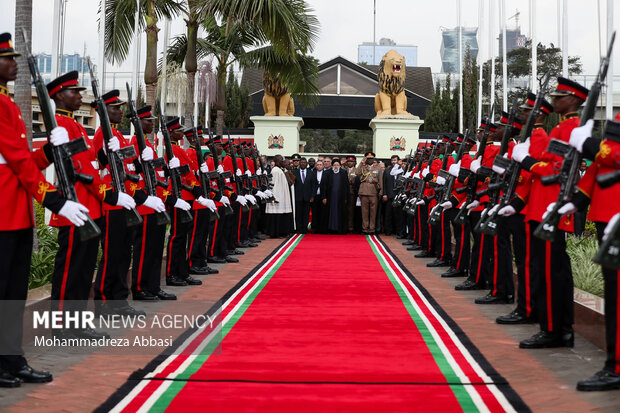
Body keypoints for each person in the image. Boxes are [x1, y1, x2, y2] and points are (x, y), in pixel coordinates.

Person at [0, 33, 90, 387]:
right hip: (4, 213)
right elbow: (19, 163)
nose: (14, 63)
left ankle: (11, 359)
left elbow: (27, 163)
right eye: (7, 58)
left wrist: (49, 151)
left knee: (13, 292)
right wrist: (55, 200)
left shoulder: (9, 106)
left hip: (16, 212)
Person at [43, 71, 131, 340]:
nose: (80, 96)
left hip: (89, 207)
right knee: (70, 270)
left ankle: (77, 323)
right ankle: (62, 325)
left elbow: (94, 164)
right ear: (59, 95)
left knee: (82, 271)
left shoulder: (78, 126)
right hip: (76, 207)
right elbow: (82, 169)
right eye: (75, 92)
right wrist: (110, 195)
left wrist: (107, 154)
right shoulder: (62, 125)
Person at [512, 77, 587, 348]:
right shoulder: (563, 129)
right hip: (543, 208)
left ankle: (554, 330)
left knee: (550, 272)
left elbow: (556, 171)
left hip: (551, 208)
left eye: (560, 97)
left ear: (575, 101)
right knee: (550, 271)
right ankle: (557, 328)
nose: (555, 101)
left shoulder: (568, 129)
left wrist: (528, 161)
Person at [92, 90, 162, 317]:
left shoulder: (118, 135)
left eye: (121, 108)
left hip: (127, 201)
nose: (120, 112)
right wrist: (104, 152)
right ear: (104, 111)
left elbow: (131, 168)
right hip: (112, 203)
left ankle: (119, 300)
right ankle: (103, 302)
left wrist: (144, 162)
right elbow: (101, 165)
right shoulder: (102, 133)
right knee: (112, 254)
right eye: (116, 108)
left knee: (124, 254)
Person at [567, 113, 620, 391]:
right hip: (607, 216)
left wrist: (589, 144)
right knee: (614, 293)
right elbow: (600, 167)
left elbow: (613, 156)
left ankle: (617, 366)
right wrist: (576, 200)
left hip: (616, 216)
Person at [129, 106, 186, 302]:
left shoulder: (148, 144)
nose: (151, 124)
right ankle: (139, 287)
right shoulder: (136, 143)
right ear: (138, 123)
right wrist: (138, 162)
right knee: (143, 249)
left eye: (152, 120)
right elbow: (131, 171)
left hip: (156, 202)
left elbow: (156, 174)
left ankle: (153, 286)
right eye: (148, 121)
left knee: (154, 249)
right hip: (145, 203)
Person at [265, 155, 293, 237]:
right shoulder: (276, 171)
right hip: (278, 197)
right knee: (276, 216)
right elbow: (274, 185)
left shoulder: (279, 170)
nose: (284, 162)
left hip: (281, 195)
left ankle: (281, 232)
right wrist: (274, 197)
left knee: (280, 215)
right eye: (283, 160)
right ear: (278, 161)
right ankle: (275, 233)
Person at [356, 152, 383, 235]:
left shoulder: (378, 168)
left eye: (371, 159)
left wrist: (381, 191)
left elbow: (380, 180)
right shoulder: (363, 167)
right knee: (364, 212)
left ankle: (372, 229)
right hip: (364, 191)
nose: (370, 160)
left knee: (373, 212)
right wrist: (361, 163)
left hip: (374, 191)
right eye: (368, 159)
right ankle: (365, 229)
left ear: (374, 159)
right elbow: (357, 173)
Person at [325, 158, 349, 234]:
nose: (336, 166)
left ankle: (340, 229)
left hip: (340, 198)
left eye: (337, 165)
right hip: (330, 197)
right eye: (334, 165)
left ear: (340, 166)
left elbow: (346, 186)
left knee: (340, 213)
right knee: (330, 213)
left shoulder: (344, 172)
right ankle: (330, 229)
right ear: (332, 166)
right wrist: (324, 197)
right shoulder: (327, 173)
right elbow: (324, 186)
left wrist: (345, 197)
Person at [382, 155, 403, 236]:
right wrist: (384, 194)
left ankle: (398, 231)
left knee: (398, 215)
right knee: (388, 214)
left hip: (399, 196)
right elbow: (384, 183)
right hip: (389, 195)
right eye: (392, 160)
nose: (393, 162)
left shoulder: (402, 170)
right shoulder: (387, 171)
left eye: (395, 160)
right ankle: (388, 231)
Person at [293, 157, 313, 233]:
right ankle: (298, 228)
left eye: (304, 163)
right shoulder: (295, 172)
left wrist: (312, 196)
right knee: (298, 214)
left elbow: (313, 185)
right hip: (298, 197)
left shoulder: (311, 173)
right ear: (299, 163)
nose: (303, 164)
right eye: (301, 162)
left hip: (307, 197)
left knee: (306, 214)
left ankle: (305, 228)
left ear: (306, 164)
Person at [310, 159, 328, 233]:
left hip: (323, 196)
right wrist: (312, 196)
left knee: (323, 213)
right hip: (315, 196)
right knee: (315, 212)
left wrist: (325, 197)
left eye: (321, 165)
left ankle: (323, 229)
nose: (319, 166)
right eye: (318, 165)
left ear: (323, 166)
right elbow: (310, 185)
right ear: (315, 166)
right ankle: (314, 228)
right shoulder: (312, 173)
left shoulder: (326, 173)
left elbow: (328, 186)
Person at [573, 160, 589, 236]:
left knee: (583, 217)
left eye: (585, 166)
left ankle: (582, 233)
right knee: (577, 218)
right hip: (576, 200)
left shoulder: (588, 174)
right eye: (582, 166)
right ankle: (577, 235)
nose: (584, 168)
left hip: (585, 200)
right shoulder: (574, 174)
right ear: (579, 166)